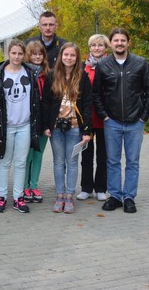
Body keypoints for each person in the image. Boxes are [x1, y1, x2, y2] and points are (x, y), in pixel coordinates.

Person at [93, 28, 149, 214]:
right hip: (111, 121)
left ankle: (129, 197)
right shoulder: (103, 65)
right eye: (116, 40)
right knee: (112, 161)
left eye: (123, 40)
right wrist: (104, 115)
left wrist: (144, 116)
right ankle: (114, 196)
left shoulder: (140, 64)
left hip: (135, 122)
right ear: (110, 44)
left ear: (128, 43)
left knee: (132, 162)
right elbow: (96, 93)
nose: (119, 43)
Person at [0, 39, 42, 214]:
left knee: (20, 163)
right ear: (8, 54)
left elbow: (35, 100)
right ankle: (2, 196)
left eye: (20, 53)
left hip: (25, 125)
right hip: (7, 126)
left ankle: (18, 197)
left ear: (23, 54)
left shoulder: (30, 72)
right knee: (5, 161)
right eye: (14, 53)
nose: (17, 56)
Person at [43, 43, 92, 215]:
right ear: (61, 56)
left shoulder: (82, 76)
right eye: (66, 55)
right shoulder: (52, 75)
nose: (69, 58)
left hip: (75, 127)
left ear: (77, 58)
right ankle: (60, 195)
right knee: (58, 161)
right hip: (56, 126)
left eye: (72, 55)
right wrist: (46, 126)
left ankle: (70, 195)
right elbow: (46, 103)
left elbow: (87, 104)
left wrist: (87, 130)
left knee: (71, 162)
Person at [79, 33, 110, 201]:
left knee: (103, 155)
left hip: (105, 118)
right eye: (93, 45)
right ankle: (86, 187)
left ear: (106, 48)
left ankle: (100, 188)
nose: (96, 48)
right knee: (87, 154)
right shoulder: (83, 67)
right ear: (89, 48)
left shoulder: (111, 66)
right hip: (87, 118)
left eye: (100, 45)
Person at [22, 40, 51, 204]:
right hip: (28, 121)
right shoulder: (24, 73)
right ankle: (25, 186)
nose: (37, 56)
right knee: (28, 155)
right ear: (29, 55)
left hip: (44, 121)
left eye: (40, 54)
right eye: (34, 54)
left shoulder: (48, 74)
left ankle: (34, 185)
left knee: (38, 155)